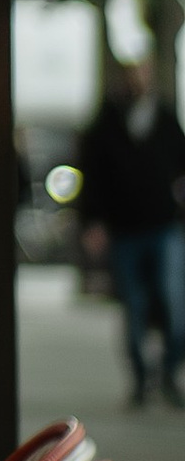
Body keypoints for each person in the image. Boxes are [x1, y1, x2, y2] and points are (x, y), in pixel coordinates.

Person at [74, 55, 185, 408]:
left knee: (174, 300)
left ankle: (169, 371)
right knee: (133, 305)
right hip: (124, 229)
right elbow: (92, 174)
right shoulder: (107, 122)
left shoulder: (165, 119)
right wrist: (93, 221)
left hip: (163, 225)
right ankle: (140, 379)